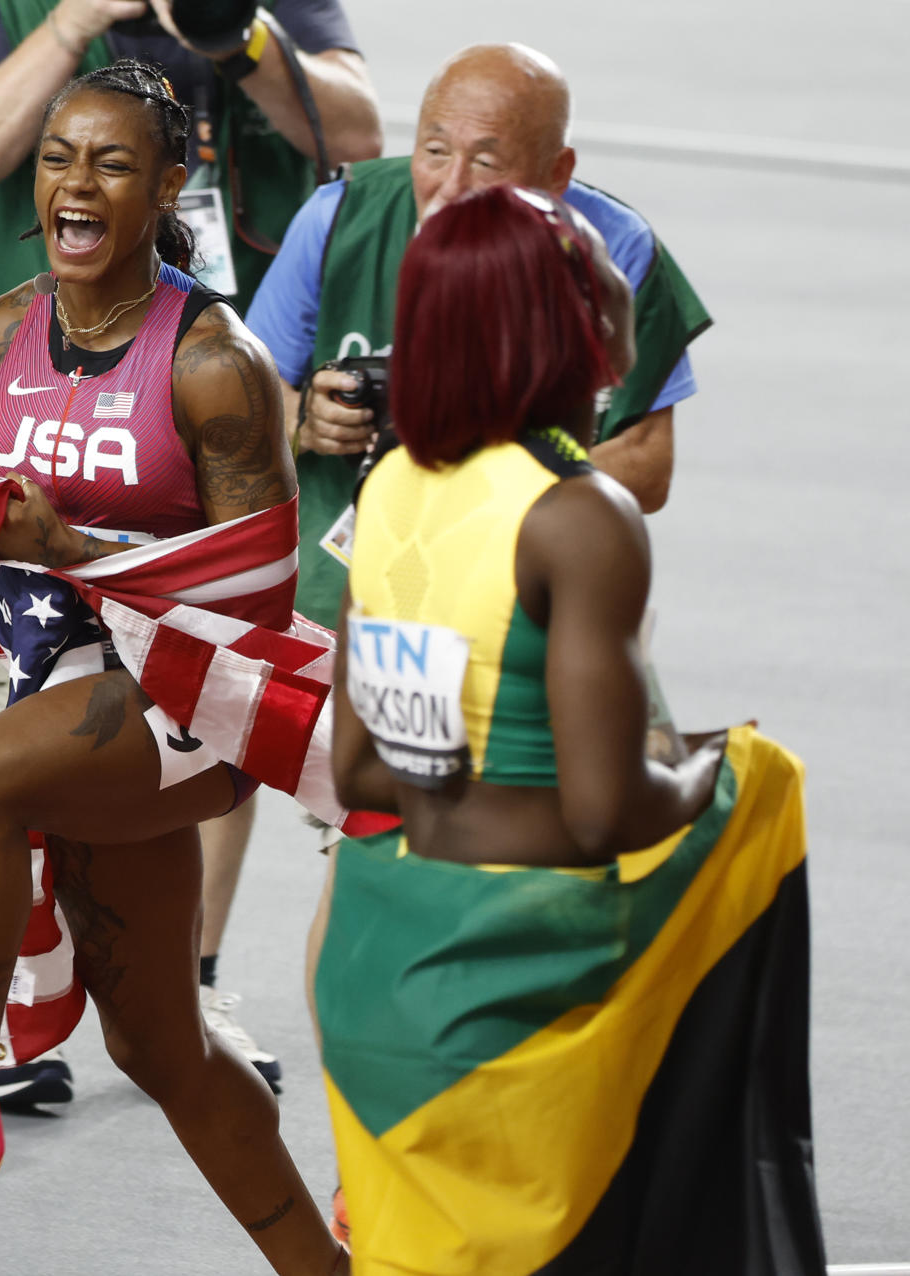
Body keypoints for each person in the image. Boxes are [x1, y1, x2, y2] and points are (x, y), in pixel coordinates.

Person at [0, 62, 345, 1272]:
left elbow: (251, 596)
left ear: (169, 184)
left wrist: (72, 550)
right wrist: (39, 611)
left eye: (113, 163)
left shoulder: (214, 367)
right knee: (161, 1045)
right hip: (74, 687)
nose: (76, 181)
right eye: (60, 157)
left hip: (196, 704)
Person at [317, 184, 825, 1271]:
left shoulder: (392, 484)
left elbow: (358, 763)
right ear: (574, 326)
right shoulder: (582, 515)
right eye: (597, 266)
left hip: (379, 983)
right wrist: (711, 769)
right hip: (516, 994)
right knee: (764, 783)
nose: (618, 275)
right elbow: (603, 813)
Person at [0, 0, 384, 1102]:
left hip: (215, 382)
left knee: (221, 674)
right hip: (60, 370)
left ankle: (191, 976)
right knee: (23, 691)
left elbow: (362, 129)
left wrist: (243, 39)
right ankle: (18, 997)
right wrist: (79, 16)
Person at [245, 42, 711, 632]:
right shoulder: (338, 215)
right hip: (339, 588)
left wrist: (466, 488)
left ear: (557, 174)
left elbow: (646, 469)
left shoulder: (611, 250)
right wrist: (306, 419)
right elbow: (237, 417)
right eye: (435, 152)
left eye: (487, 164)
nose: (452, 186)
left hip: (525, 592)